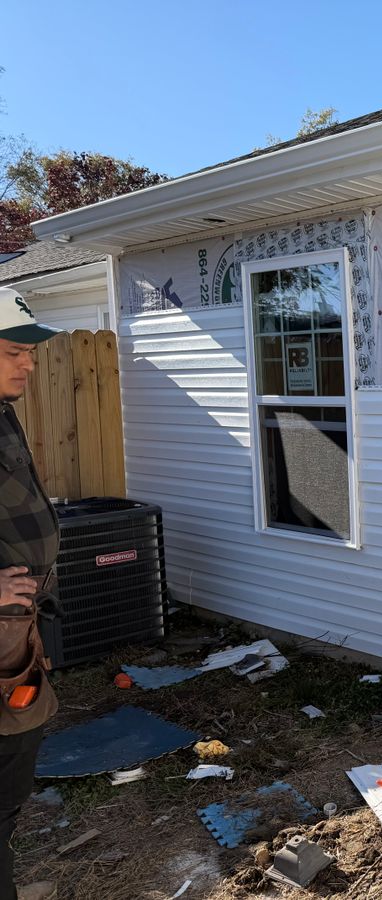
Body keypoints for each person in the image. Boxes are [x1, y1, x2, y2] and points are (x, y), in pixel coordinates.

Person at [0, 287, 62, 900]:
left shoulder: (1, 409)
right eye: (17, 351)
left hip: (20, 627)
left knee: (11, 790)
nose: (30, 364)